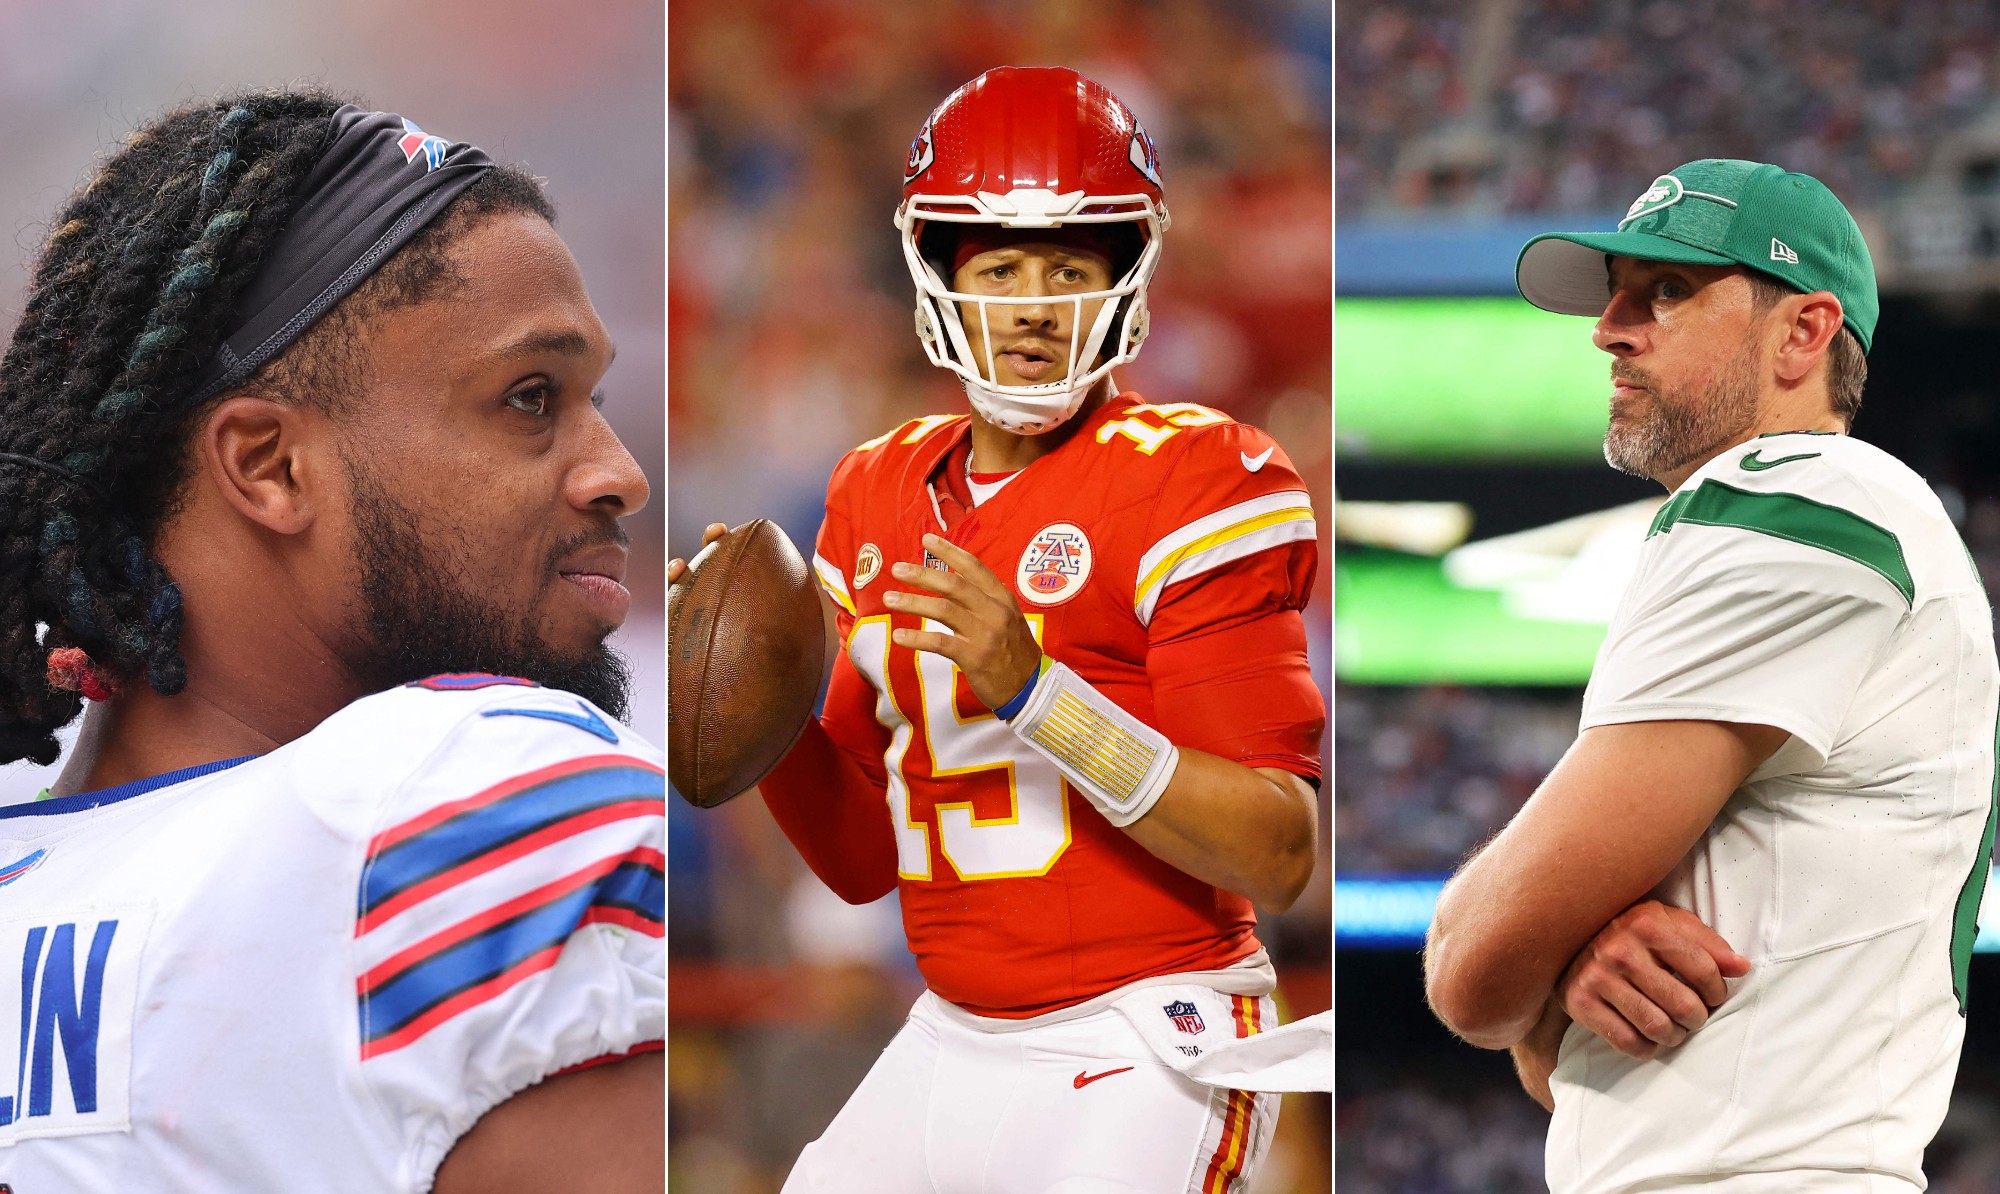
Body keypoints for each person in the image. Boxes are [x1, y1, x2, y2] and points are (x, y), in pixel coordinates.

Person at [672, 65, 1329, 1191]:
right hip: (949, 1031)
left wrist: (1038, 694)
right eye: (1002, 264)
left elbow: (1275, 851)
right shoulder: (872, 488)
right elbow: (859, 862)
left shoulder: (1204, 478)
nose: (1032, 304)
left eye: (1067, 267)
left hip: (1141, 1035)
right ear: (940, 275)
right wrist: (744, 700)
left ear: (1123, 276)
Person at [0, 92, 662, 1191]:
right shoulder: (475, 796)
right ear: (268, 465)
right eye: (530, 397)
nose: (618, 472)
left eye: (596, 398)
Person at [1424, 159, 1999, 1192]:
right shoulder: (1831, 516)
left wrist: (1530, 955)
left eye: (1667, 293)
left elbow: (1473, 969)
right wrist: (1567, 961)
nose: (1608, 327)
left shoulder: (1793, 497)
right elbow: (1549, 1062)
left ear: (1803, 332)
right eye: (1614, 293)